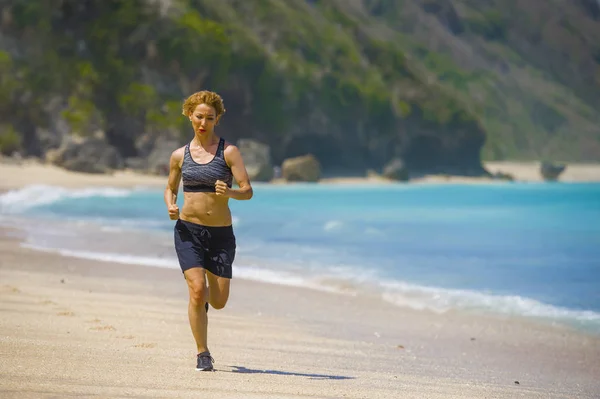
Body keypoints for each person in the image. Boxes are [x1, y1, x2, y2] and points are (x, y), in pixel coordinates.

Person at [164, 90, 253, 371]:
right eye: (199, 116)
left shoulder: (229, 152)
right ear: (190, 115)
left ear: (217, 119)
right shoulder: (179, 156)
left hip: (220, 235)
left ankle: (204, 305)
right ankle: (203, 353)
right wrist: (171, 205)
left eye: (209, 118)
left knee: (218, 301)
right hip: (188, 232)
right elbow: (170, 188)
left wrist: (231, 192)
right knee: (197, 290)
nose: (203, 122)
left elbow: (248, 191)